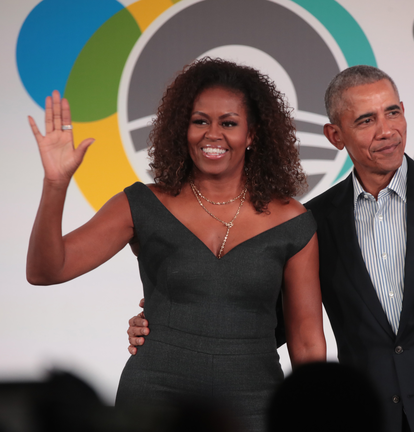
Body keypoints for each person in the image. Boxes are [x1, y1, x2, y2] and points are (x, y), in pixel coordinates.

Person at [128, 65, 414, 432]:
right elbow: (273, 326)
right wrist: (170, 323)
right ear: (335, 135)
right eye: (366, 120)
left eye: (393, 112)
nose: (386, 131)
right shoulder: (312, 220)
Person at [26, 58, 326, 432]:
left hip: (255, 404)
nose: (212, 134)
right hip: (153, 401)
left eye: (229, 123)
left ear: (252, 135)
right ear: (181, 128)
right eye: (200, 121)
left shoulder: (291, 221)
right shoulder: (143, 205)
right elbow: (45, 270)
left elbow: (308, 342)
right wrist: (56, 184)